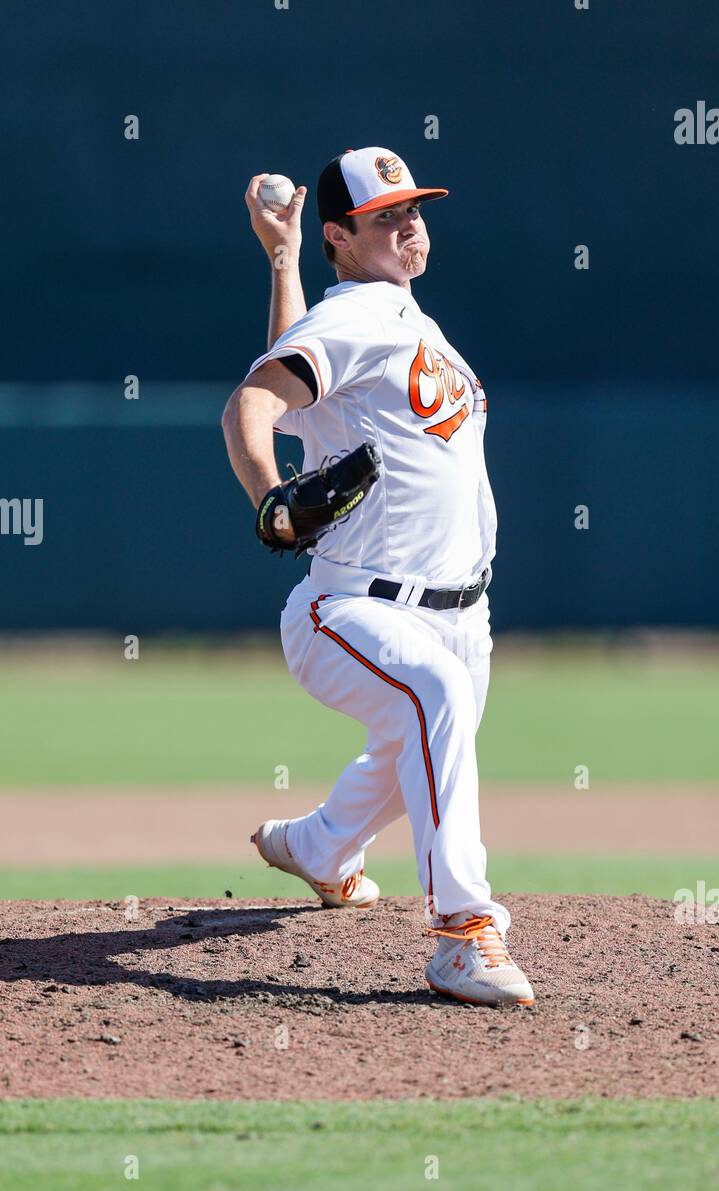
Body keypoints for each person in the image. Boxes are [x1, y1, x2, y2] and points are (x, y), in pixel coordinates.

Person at [221, 147, 534, 1007]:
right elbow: (253, 402)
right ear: (342, 236)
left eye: (414, 209)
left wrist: (282, 261)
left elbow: (300, 371)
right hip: (349, 605)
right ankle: (463, 936)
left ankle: (320, 847)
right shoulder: (361, 315)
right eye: (386, 214)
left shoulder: (406, 321)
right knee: (430, 696)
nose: (408, 223)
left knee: (419, 740)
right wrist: (270, 498)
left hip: (462, 610)